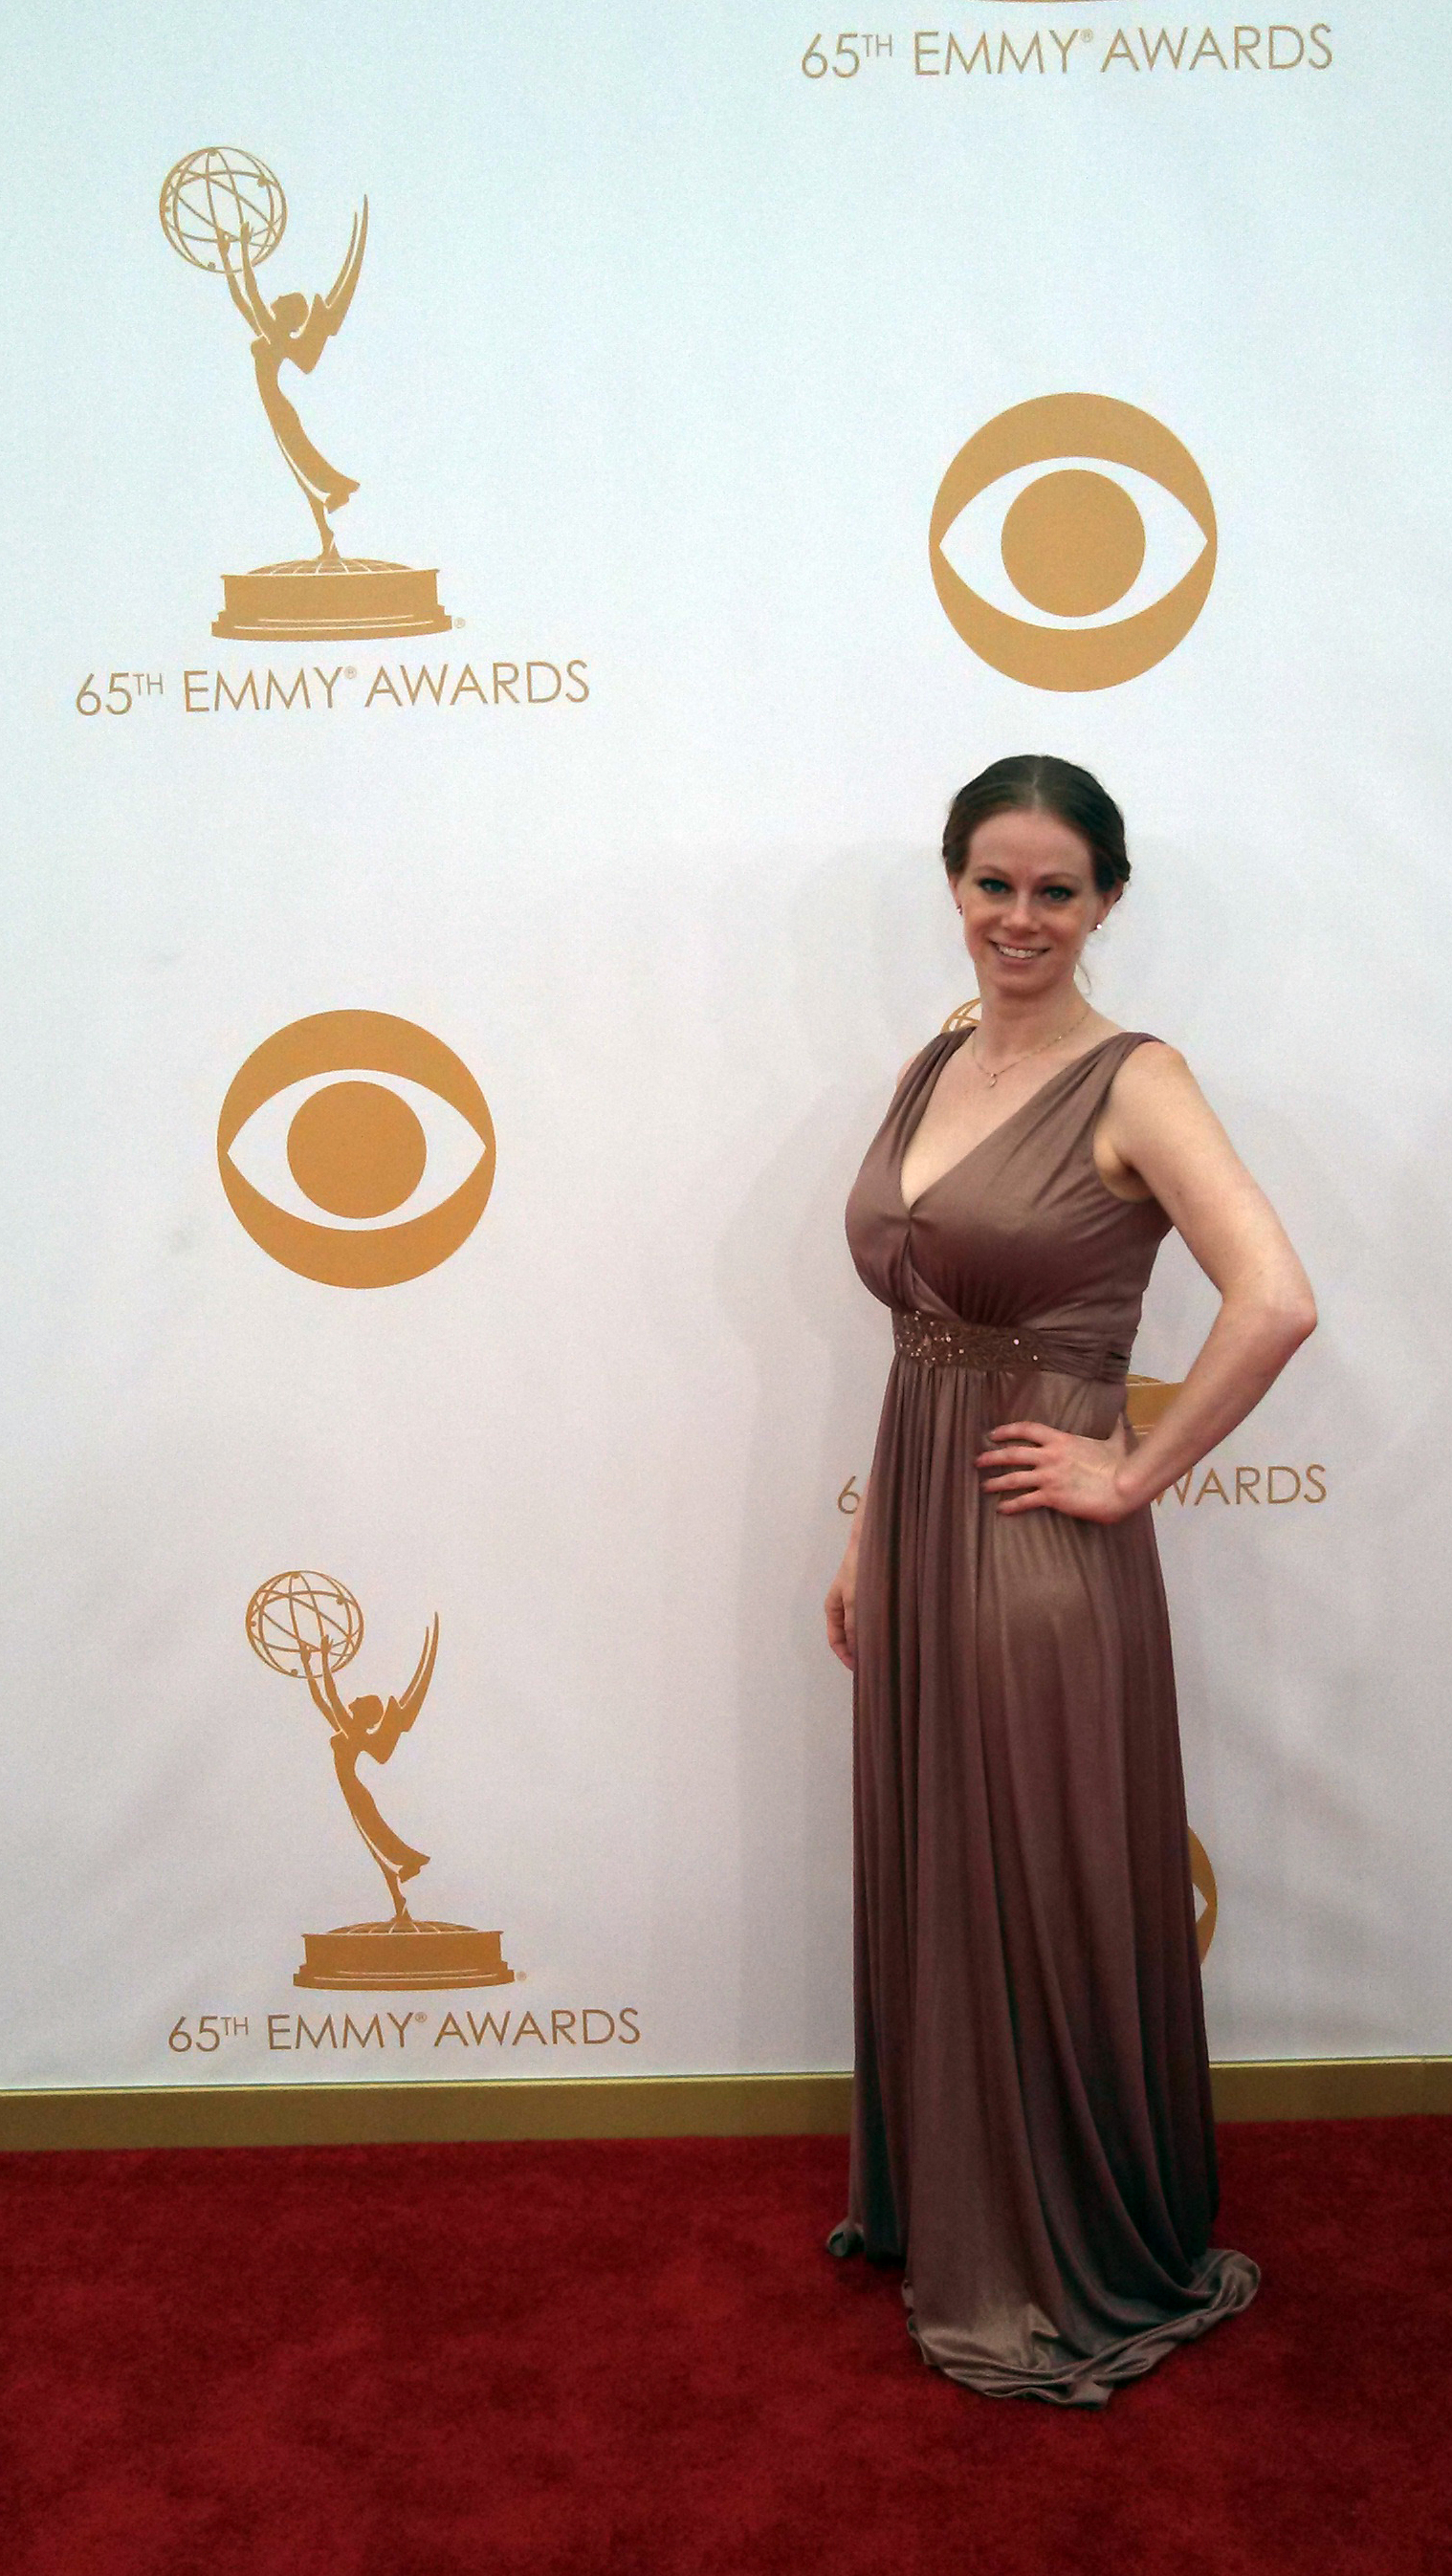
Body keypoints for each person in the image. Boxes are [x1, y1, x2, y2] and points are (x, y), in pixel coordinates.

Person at [825, 753, 1315, 2406]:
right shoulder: (942, 1051)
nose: (1017, 917)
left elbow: (1274, 1298)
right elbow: (916, 1329)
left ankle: (1060, 2251)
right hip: (920, 1511)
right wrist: (862, 1533)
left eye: (1054, 889)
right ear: (950, 884)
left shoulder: (1134, 1076)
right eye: (990, 882)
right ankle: (963, 2201)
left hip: (1037, 1542)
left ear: (1104, 900)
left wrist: (1126, 1469)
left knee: (1025, 1878)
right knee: (946, 1865)